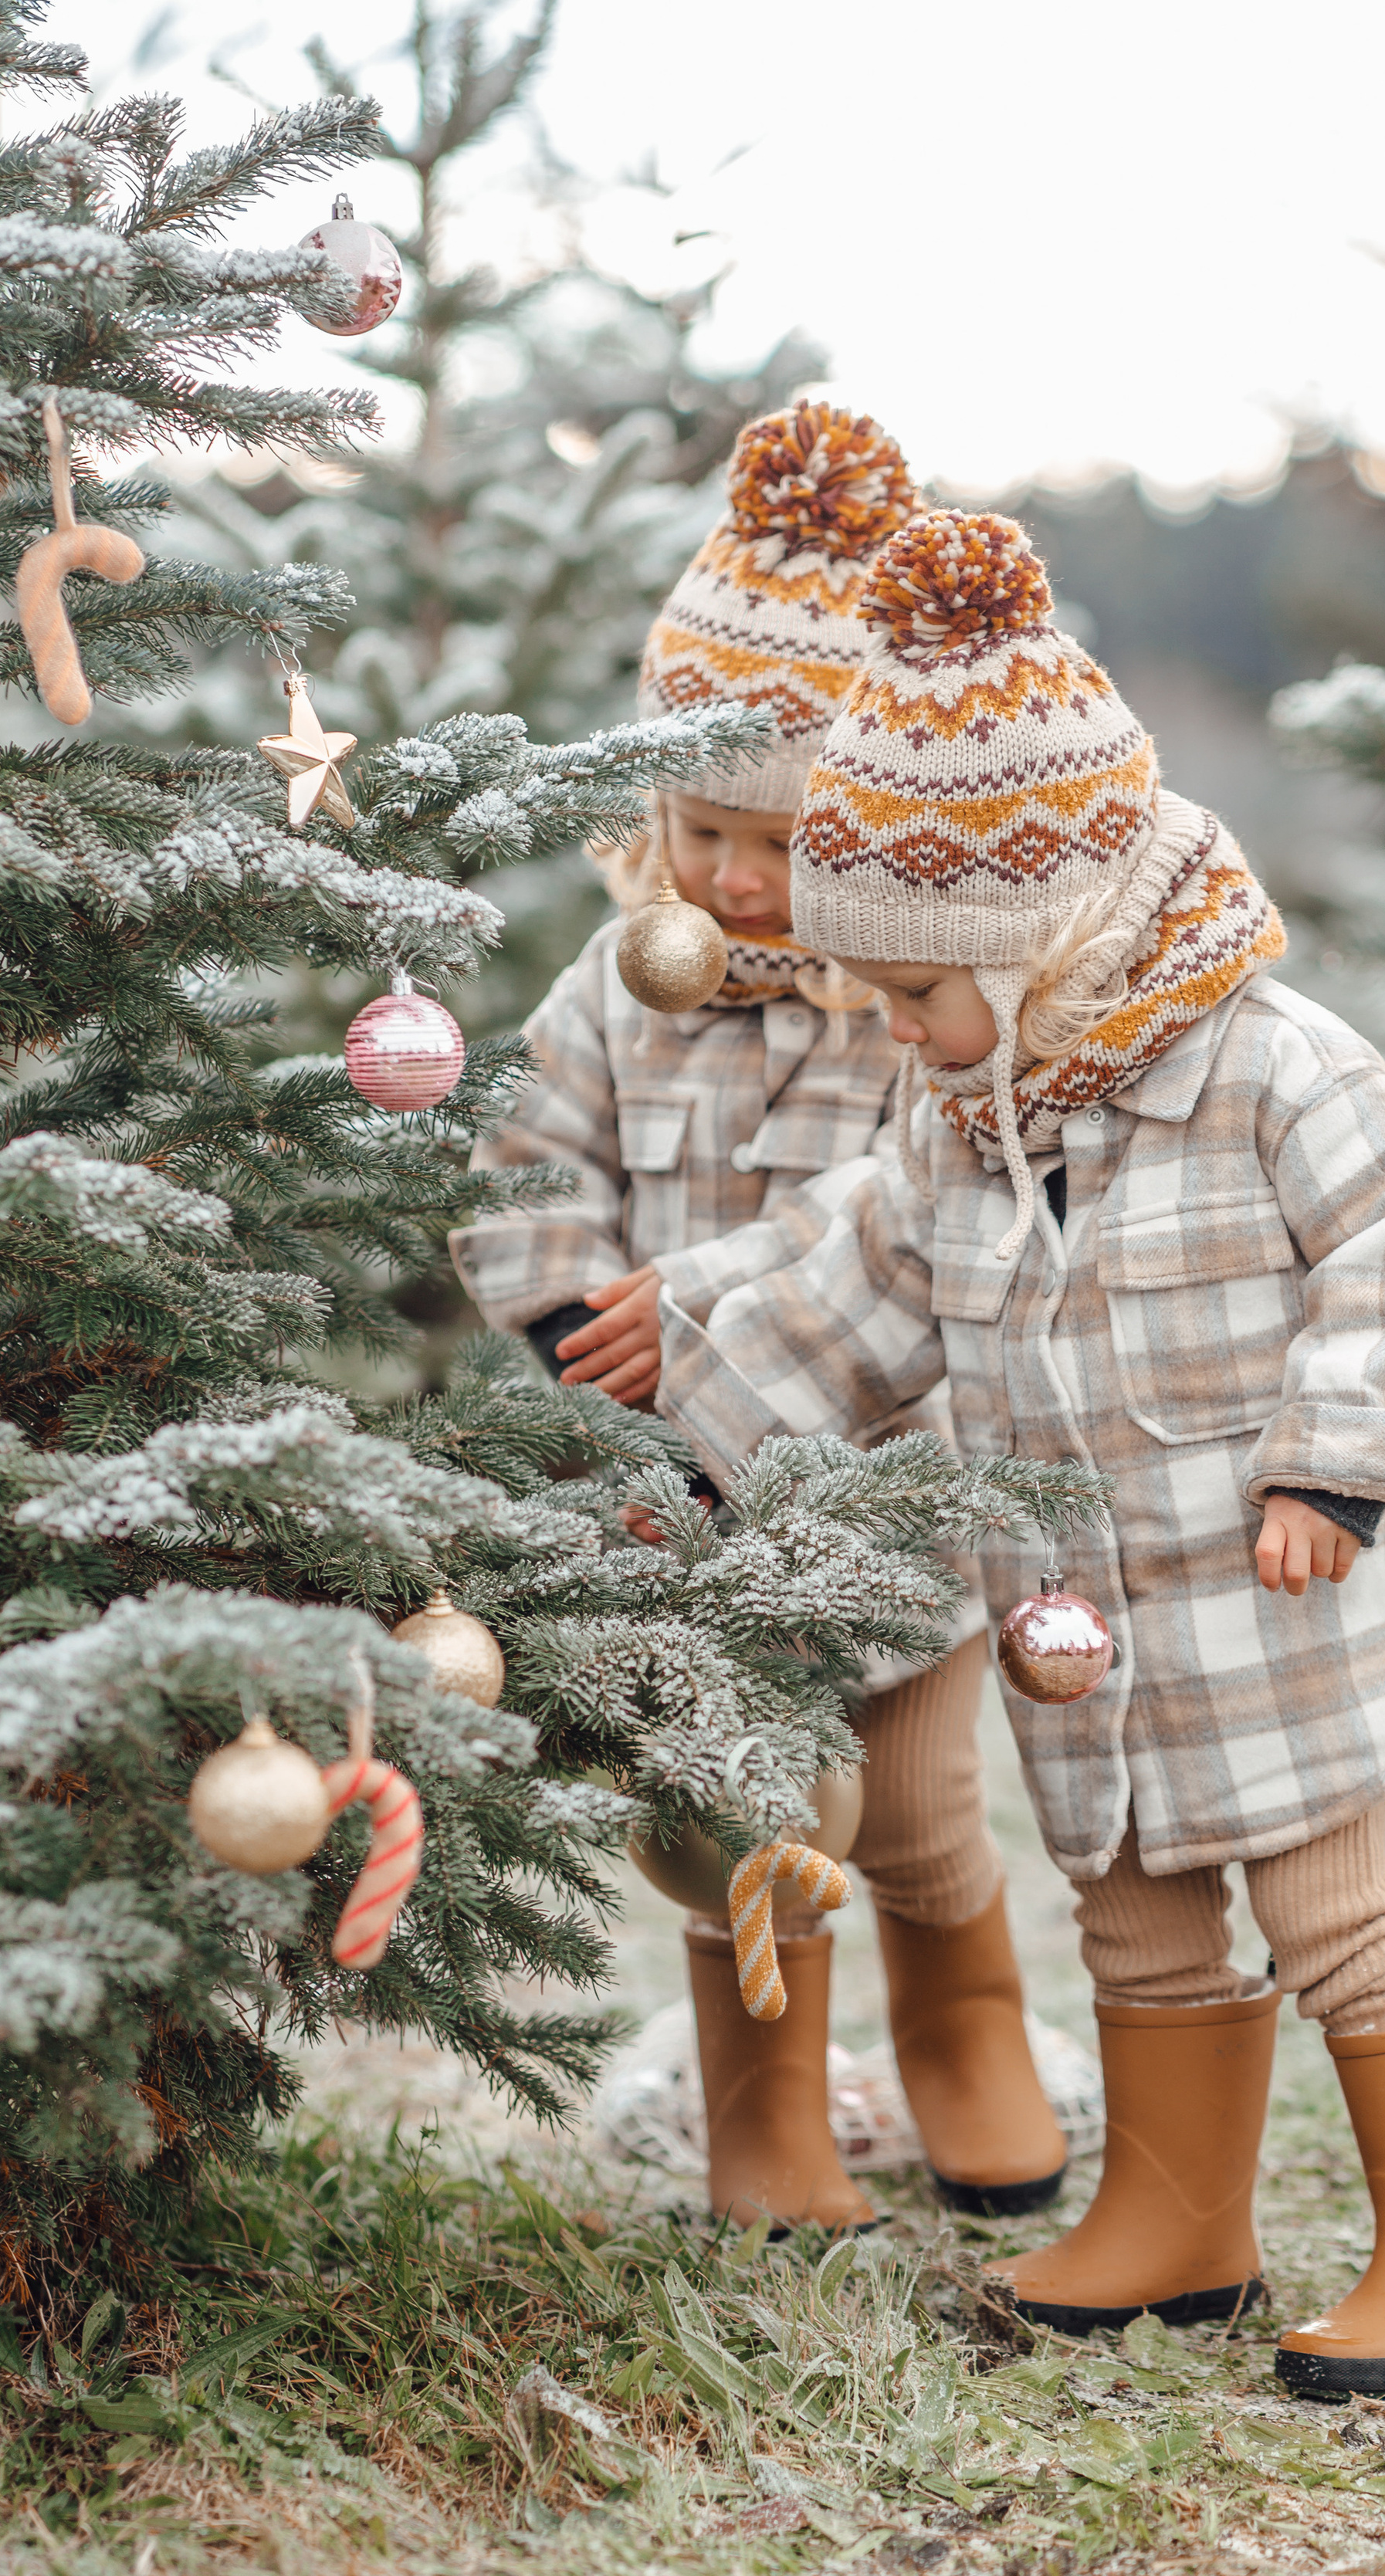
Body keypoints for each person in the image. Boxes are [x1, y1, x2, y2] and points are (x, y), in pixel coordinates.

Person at [654, 506, 1385, 2399]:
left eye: (912, 989)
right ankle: (1173, 2221)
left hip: (1270, 1599)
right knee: (1131, 1913)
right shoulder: (961, 1124)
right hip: (1085, 1629)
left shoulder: (1267, 1066)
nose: (889, 1026)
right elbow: (850, 1302)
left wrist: (1333, 1464)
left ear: (1035, 941)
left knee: (1324, 1914)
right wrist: (708, 1457)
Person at [451, 411, 1066, 2237]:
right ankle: (767, 2126)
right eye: (700, 828)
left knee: (917, 1811)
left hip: (896, 1478)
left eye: (775, 843)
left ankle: (965, 2037)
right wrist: (579, 1324)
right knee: (744, 1803)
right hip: (683, 1498)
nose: (729, 880)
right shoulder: (623, 986)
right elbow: (523, 1154)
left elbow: (894, 1210)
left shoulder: (912, 1009)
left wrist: (695, 1306)